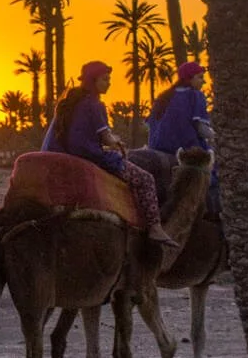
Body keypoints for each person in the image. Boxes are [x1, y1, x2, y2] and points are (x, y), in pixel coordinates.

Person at [45, 60, 175, 248]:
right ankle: (155, 227)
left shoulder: (69, 104)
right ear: (93, 81)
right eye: (105, 79)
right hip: (93, 158)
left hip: (71, 156)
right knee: (145, 179)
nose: (109, 83)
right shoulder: (95, 104)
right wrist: (118, 144)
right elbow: (106, 137)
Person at [148, 60, 218, 216]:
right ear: (189, 79)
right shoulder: (195, 95)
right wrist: (221, 139)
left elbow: (151, 126)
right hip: (188, 147)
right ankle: (213, 213)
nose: (204, 81)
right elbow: (201, 128)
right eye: (200, 77)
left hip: (157, 146)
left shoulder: (164, 97)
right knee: (216, 171)